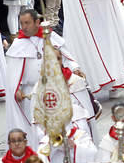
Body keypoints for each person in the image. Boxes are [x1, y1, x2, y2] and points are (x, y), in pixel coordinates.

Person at [5, 9, 85, 145]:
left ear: (37, 22)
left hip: (55, 90)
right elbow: (12, 74)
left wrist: (75, 68)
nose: (24, 27)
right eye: (21, 23)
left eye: (27, 23)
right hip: (30, 94)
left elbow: (66, 57)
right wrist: (16, 88)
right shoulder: (18, 44)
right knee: (36, 128)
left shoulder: (50, 37)